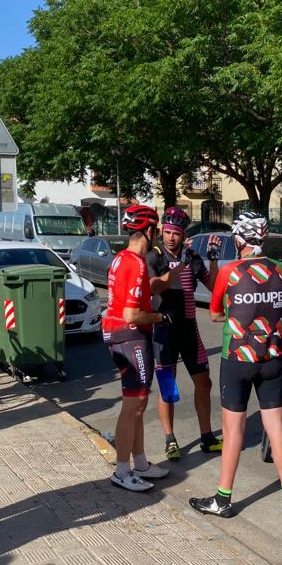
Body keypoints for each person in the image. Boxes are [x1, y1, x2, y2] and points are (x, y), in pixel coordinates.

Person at [189, 211, 282, 517]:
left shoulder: (230, 271)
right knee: (276, 426)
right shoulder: (279, 269)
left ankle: (223, 499)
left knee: (233, 430)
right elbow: (279, 309)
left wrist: (240, 317)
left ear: (240, 240)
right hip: (272, 357)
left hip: (238, 358)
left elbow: (215, 314)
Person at [102, 204, 172, 492]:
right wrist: (160, 317)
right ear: (150, 230)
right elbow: (131, 314)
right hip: (129, 334)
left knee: (139, 404)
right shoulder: (137, 263)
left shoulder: (121, 258)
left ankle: (140, 463)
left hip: (117, 333)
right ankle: (122, 470)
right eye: (157, 229)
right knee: (133, 405)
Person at [147, 207, 222, 460]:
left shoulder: (192, 256)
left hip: (189, 329)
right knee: (168, 387)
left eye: (176, 233)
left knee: (204, 383)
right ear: (162, 232)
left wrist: (213, 259)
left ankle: (207, 437)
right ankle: (170, 439)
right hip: (164, 330)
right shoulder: (154, 256)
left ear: (183, 235)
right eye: (167, 232)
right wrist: (177, 270)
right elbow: (154, 287)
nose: (171, 238)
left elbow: (214, 287)